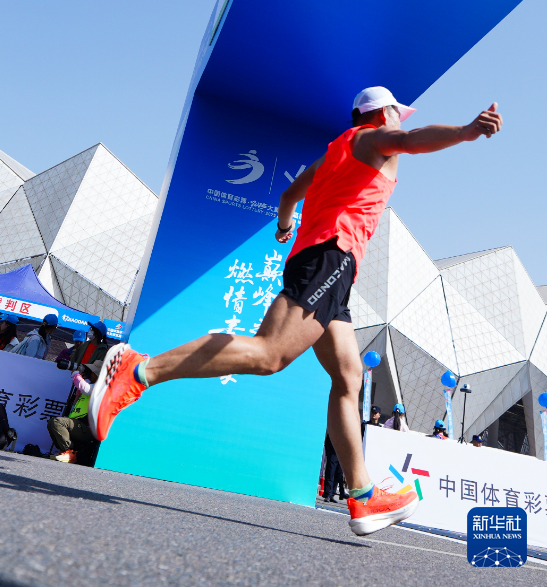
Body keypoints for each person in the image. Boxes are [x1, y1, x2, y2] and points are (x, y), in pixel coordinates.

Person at [87, 86, 502, 536]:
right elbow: (411, 140)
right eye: (397, 113)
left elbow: (289, 196)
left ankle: (363, 495)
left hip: (323, 260)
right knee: (270, 354)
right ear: (384, 113)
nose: (399, 120)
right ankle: (139, 370)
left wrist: (285, 227)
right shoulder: (374, 138)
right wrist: (465, 131)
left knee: (349, 377)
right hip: (332, 257)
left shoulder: (335, 152)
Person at [47, 361, 102, 464]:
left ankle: (69, 452)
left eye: (92, 371)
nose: (89, 373)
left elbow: (86, 389)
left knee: (57, 422)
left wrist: (76, 375)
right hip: (80, 424)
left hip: (88, 428)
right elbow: (76, 403)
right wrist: (78, 393)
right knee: (51, 423)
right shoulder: (91, 386)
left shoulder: (102, 387)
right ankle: (65, 451)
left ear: (98, 374)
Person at [322, 433, 348, 502]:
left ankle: (332, 494)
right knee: (331, 471)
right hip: (333, 448)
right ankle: (328, 494)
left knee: (338, 472)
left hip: (342, 449)